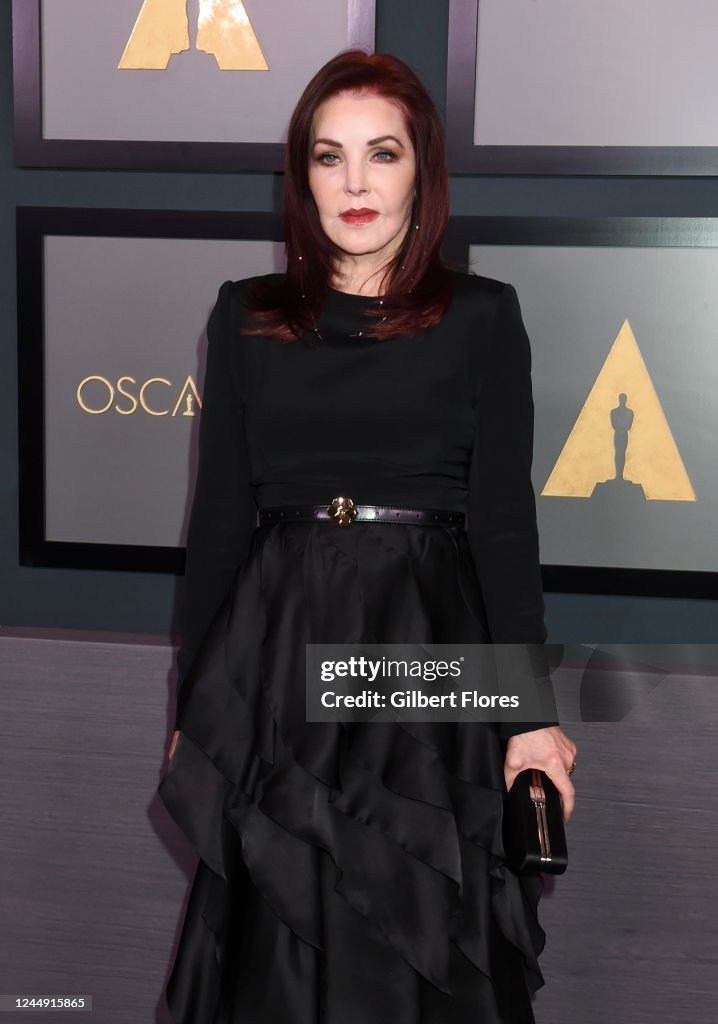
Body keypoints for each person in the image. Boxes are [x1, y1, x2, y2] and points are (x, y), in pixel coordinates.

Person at [159, 48, 578, 1024]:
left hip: (424, 640)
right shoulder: (247, 316)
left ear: (420, 170)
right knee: (285, 920)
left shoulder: (481, 316)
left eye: (380, 154)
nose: (353, 182)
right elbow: (218, 522)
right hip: (278, 641)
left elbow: (505, 526)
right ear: (300, 177)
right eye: (327, 155)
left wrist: (528, 714)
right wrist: (194, 703)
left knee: (413, 905)